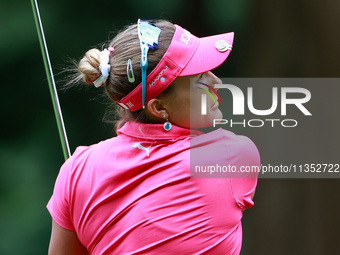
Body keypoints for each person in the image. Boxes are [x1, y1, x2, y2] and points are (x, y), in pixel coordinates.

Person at [47, 19, 260, 255]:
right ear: (158, 107)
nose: (216, 82)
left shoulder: (76, 171)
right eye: (199, 79)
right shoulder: (232, 155)